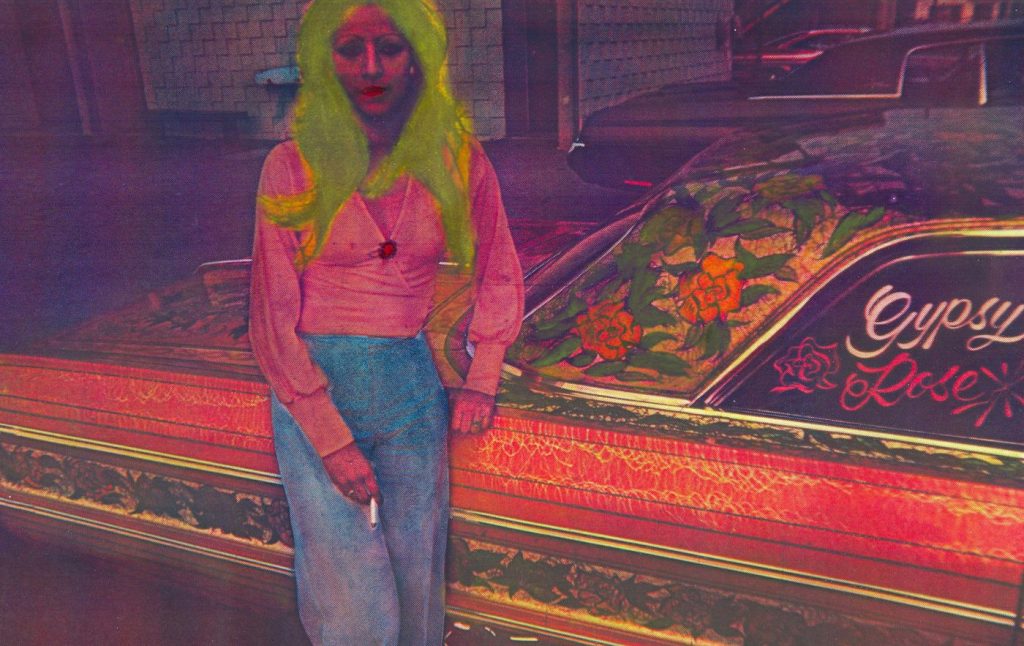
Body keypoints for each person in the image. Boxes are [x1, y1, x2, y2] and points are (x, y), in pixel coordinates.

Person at [247, 1, 523, 644]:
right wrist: (330, 439)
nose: (370, 67)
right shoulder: (291, 165)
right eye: (350, 49)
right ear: (324, 60)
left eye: (390, 48)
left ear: (418, 58)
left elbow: (500, 267)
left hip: (411, 388)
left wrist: (483, 376)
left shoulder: (456, 159)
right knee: (352, 590)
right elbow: (271, 316)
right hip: (316, 391)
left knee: (415, 571)